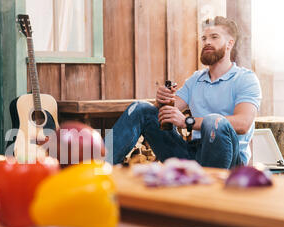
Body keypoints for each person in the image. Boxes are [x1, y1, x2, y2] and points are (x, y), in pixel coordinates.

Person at [106, 16, 262, 169]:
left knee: (214, 121)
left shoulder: (245, 79)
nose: (207, 42)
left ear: (229, 44)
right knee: (141, 109)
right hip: (192, 155)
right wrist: (162, 101)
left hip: (230, 162)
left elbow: (243, 123)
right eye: (204, 38)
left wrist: (188, 122)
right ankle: (96, 170)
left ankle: (209, 189)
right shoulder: (196, 80)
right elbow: (165, 114)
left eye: (214, 37)